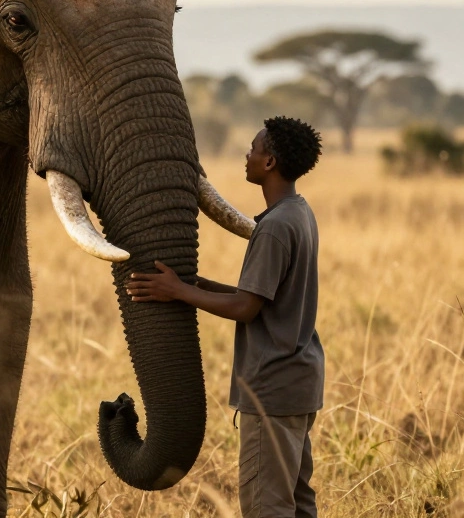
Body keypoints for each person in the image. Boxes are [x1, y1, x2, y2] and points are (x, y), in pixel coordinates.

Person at [126, 116, 325, 518]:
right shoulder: (298, 213)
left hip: (272, 386)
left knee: (266, 507)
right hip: (299, 383)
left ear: (269, 162)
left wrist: (179, 291)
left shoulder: (273, 228)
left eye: (253, 148)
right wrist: (191, 283)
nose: (247, 155)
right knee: (297, 503)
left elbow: (245, 309)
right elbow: (259, 297)